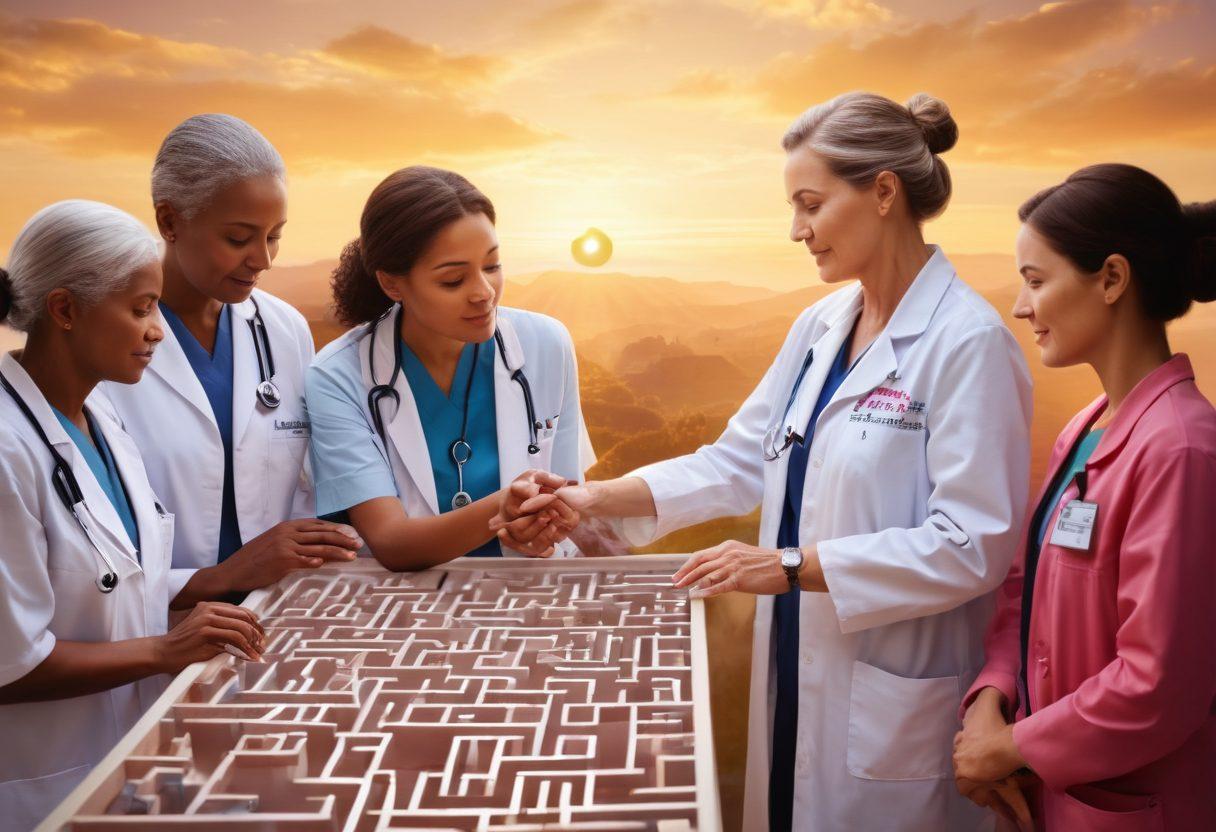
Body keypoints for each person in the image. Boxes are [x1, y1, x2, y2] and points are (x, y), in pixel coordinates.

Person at [505, 92, 1033, 831]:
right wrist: (590, 498)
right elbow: (737, 461)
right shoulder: (821, 326)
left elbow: (972, 545)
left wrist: (790, 567)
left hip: (891, 700)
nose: (796, 230)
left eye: (810, 205)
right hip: (795, 662)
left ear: (884, 192)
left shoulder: (969, 343)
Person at [953, 164, 1216, 831]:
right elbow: (1024, 593)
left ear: (1112, 279)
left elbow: (1160, 686)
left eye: (1036, 281)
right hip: (1050, 794)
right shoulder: (1084, 429)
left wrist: (1010, 749)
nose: (1021, 306)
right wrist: (991, 699)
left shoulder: (1182, 451)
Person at [0, 200, 264, 830]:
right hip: (43, 782)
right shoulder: (7, 449)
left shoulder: (103, 418)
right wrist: (163, 650)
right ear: (65, 310)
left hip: (130, 757)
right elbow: (11, 665)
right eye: (142, 309)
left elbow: (117, 581)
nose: (158, 332)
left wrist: (215, 587)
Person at [103, 114, 361, 608]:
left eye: (274, 236)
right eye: (239, 239)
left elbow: (308, 488)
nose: (263, 259)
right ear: (169, 222)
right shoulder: (107, 341)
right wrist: (222, 577)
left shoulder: (285, 330)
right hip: (161, 625)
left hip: (280, 611)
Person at [305, 166, 595, 569]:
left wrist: (542, 533)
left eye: (492, 266)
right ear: (392, 284)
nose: (483, 293)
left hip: (524, 588)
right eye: (453, 280)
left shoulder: (546, 344)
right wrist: (502, 508)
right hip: (401, 600)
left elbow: (566, 500)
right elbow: (391, 542)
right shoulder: (338, 376)